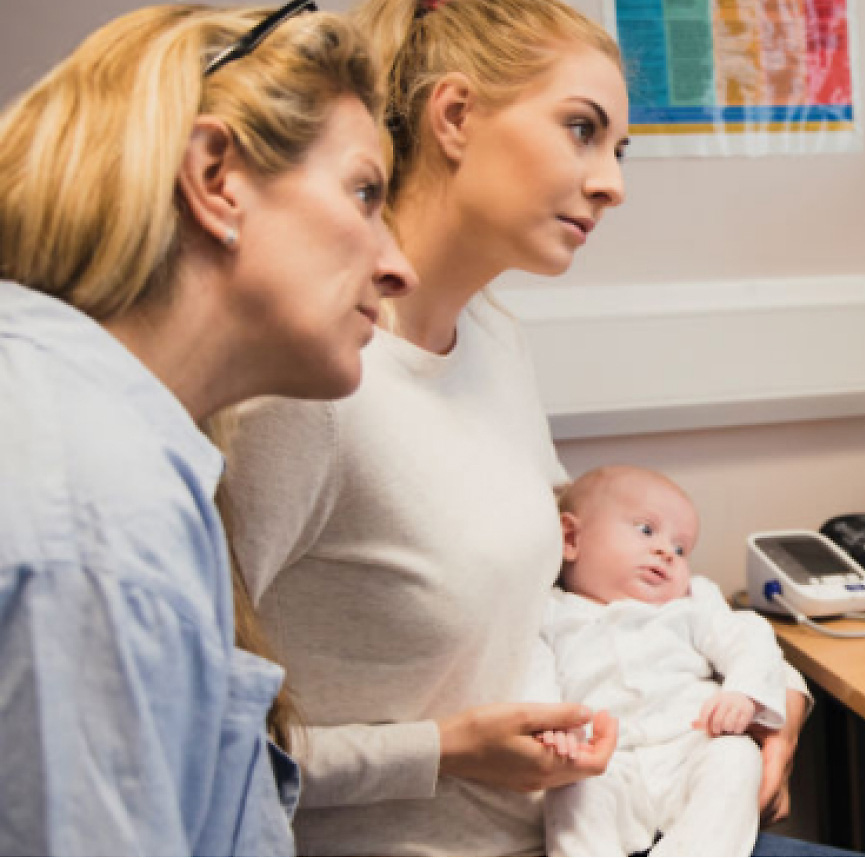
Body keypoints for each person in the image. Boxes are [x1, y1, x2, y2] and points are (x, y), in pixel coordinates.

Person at [218, 1, 818, 854]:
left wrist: (773, 694)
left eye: (618, 149)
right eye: (582, 130)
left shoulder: (495, 338)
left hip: (599, 823)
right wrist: (445, 751)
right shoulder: (305, 391)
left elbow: (575, 575)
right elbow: (195, 746)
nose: (612, 181)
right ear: (456, 115)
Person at [0, 3, 413, 853]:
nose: (393, 263)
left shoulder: (92, 437)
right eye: (365, 192)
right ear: (216, 177)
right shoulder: (97, 516)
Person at [537, 466, 792, 857]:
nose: (665, 553)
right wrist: (549, 726)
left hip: (690, 745)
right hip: (603, 758)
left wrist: (743, 692)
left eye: (680, 549)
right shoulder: (548, 614)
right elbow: (531, 676)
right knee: (572, 787)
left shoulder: (692, 603)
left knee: (736, 756)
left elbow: (751, 639)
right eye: (645, 530)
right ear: (571, 538)